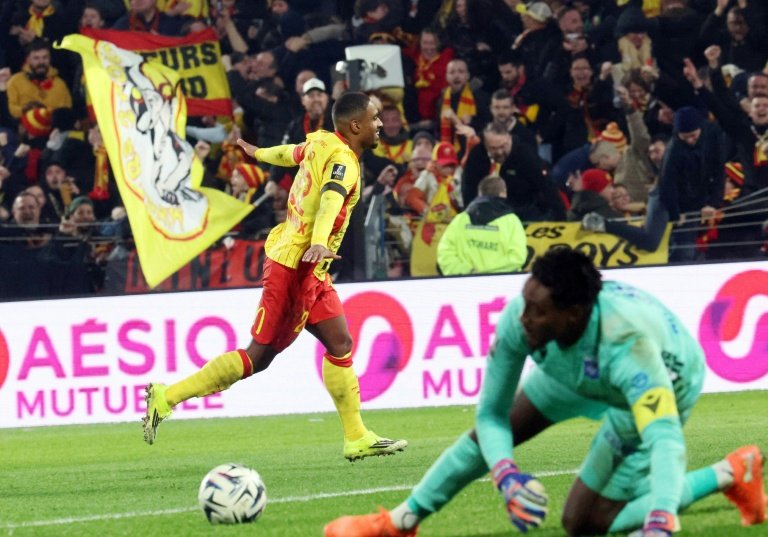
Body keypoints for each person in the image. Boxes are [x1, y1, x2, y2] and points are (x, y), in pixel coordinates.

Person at [324, 248, 767, 536]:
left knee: (583, 523)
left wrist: (660, 520)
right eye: (526, 302)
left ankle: (730, 473)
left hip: (656, 385)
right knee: (492, 436)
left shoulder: (629, 348)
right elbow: (490, 416)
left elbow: (666, 439)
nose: (523, 319)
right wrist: (506, 473)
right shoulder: (526, 316)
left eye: (538, 311)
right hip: (567, 370)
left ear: (573, 314)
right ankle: (399, 523)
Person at [142, 92, 408, 462]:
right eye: (376, 118)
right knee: (258, 358)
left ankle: (356, 436)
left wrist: (259, 153)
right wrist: (318, 243)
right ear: (356, 126)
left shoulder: (320, 140)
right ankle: (166, 396)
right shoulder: (344, 161)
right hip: (295, 267)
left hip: (310, 267)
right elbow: (332, 199)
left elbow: (291, 153)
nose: (381, 124)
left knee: (340, 342)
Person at [436, 175, 526, 276]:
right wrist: (487, 274)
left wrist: (468, 272)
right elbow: (517, 256)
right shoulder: (511, 221)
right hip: (501, 286)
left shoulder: (460, 220)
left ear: (480, 194)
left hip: (465, 285)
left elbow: (445, 252)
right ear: (503, 193)